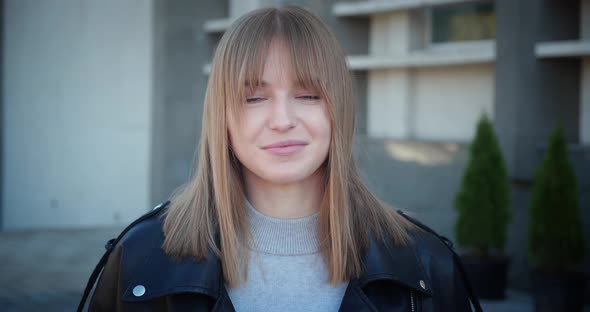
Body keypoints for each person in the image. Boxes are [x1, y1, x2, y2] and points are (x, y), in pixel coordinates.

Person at [79, 5, 481, 312]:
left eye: (308, 95)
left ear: (338, 109)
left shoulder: (425, 263)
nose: (283, 120)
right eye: (254, 98)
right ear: (223, 118)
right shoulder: (141, 256)